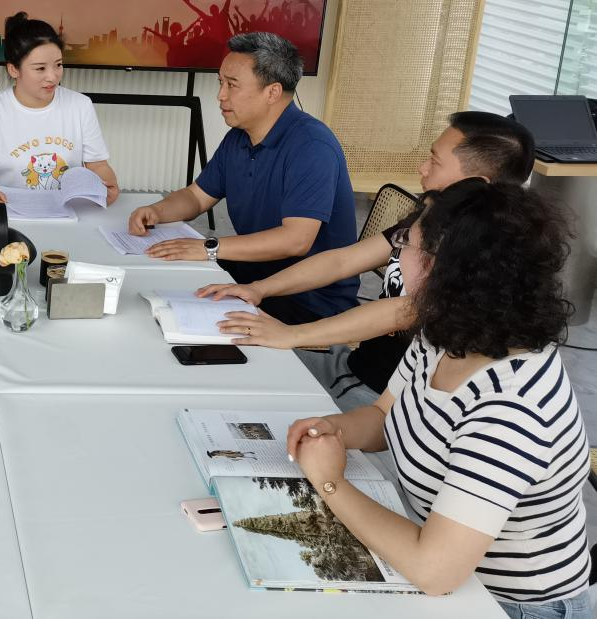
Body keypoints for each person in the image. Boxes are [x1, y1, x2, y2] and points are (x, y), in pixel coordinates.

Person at [286, 180, 590, 616]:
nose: (397, 256)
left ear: (441, 270)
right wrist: (332, 429)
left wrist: (330, 483)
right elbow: (384, 416)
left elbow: (435, 571)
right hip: (438, 559)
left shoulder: (512, 408)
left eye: (405, 244)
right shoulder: (446, 331)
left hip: (506, 604)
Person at [200, 111, 536, 411]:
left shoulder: (481, 252)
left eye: (434, 161)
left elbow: (403, 311)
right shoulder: (432, 216)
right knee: (233, 361)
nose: (422, 168)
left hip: (384, 400)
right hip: (354, 368)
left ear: (476, 185)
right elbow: (342, 262)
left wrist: (292, 334)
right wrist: (259, 289)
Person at [127, 31, 356, 324]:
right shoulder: (239, 136)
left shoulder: (312, 146)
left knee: (179, 316)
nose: (220, 95)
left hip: (307, 298)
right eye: (220, 83)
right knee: (154, 288)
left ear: (272, 92)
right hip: (254, 273)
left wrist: (210, 247)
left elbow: (296, 240)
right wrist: (157, 211)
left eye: (232, 85)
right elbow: (197, 196)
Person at [0, 12, 120, 209]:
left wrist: (107, 184)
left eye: (58, 65)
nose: (52, 76)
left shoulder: (81, 106)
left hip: (68, 212)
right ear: (13, 69)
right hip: (8, 210)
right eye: (40, 68)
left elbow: (98, 165)